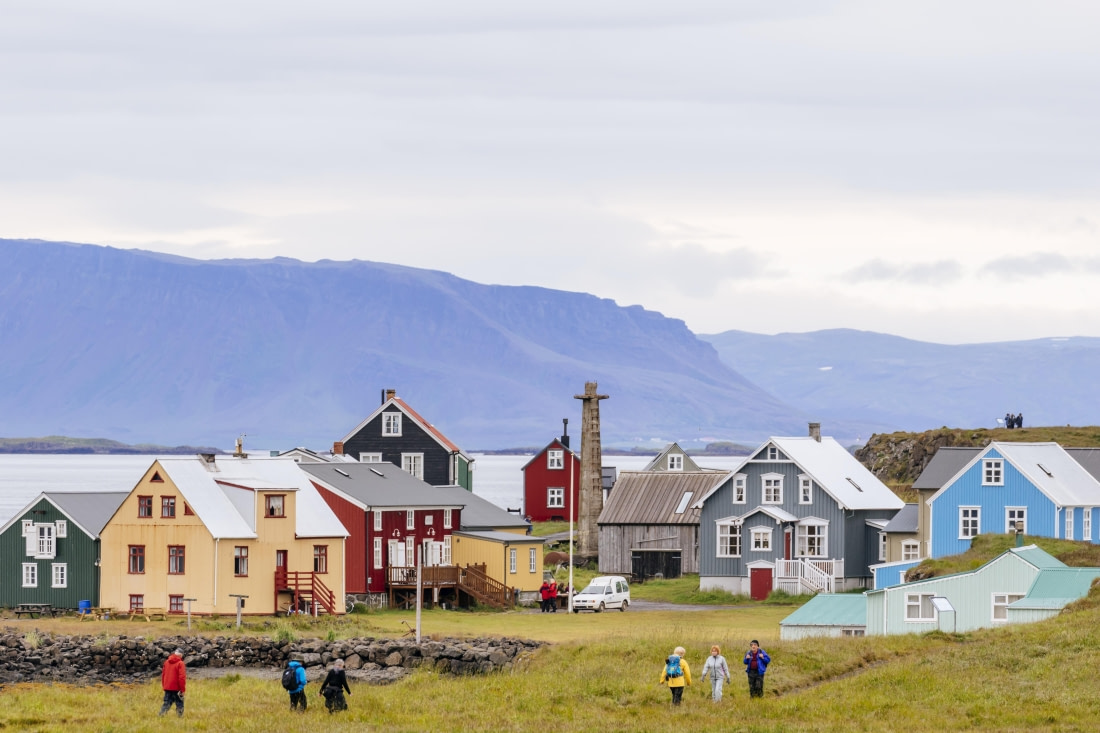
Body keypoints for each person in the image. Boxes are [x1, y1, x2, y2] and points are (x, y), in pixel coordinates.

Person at [159, 648, 186, 717]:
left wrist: (164, 685)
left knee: (166, 703)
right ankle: (179, 718)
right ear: (180, 655)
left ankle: (161, 716)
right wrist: (182, 689)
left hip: (167, 686)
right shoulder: (180, 663)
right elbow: (182, 677)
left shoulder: (166, 662)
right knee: (179, 703)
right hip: (177, 688)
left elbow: (163, 675)